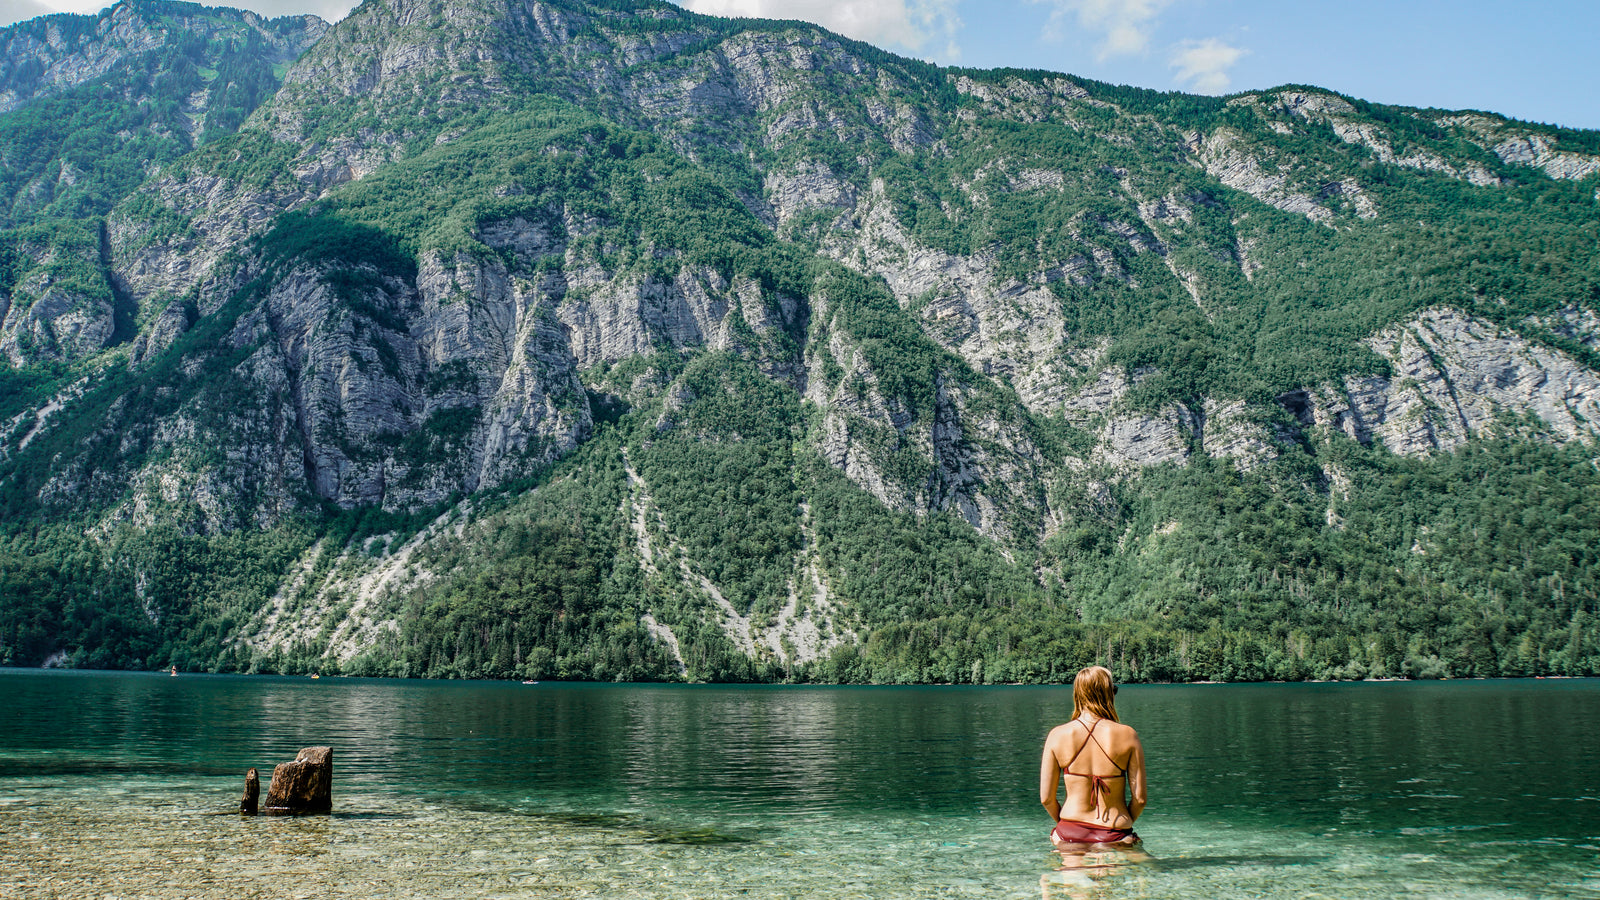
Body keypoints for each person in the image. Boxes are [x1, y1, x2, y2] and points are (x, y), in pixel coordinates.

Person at [1039, 665, 1146, 847]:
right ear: (1107, 694)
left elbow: (1046, 799)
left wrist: (1066, 825)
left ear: (1078, 694)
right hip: (1114, 832)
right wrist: (1123, 825)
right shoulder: (1128, 735)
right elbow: (1140, 799)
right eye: (1114, 690)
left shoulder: (1057, 735)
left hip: (1069, 832)